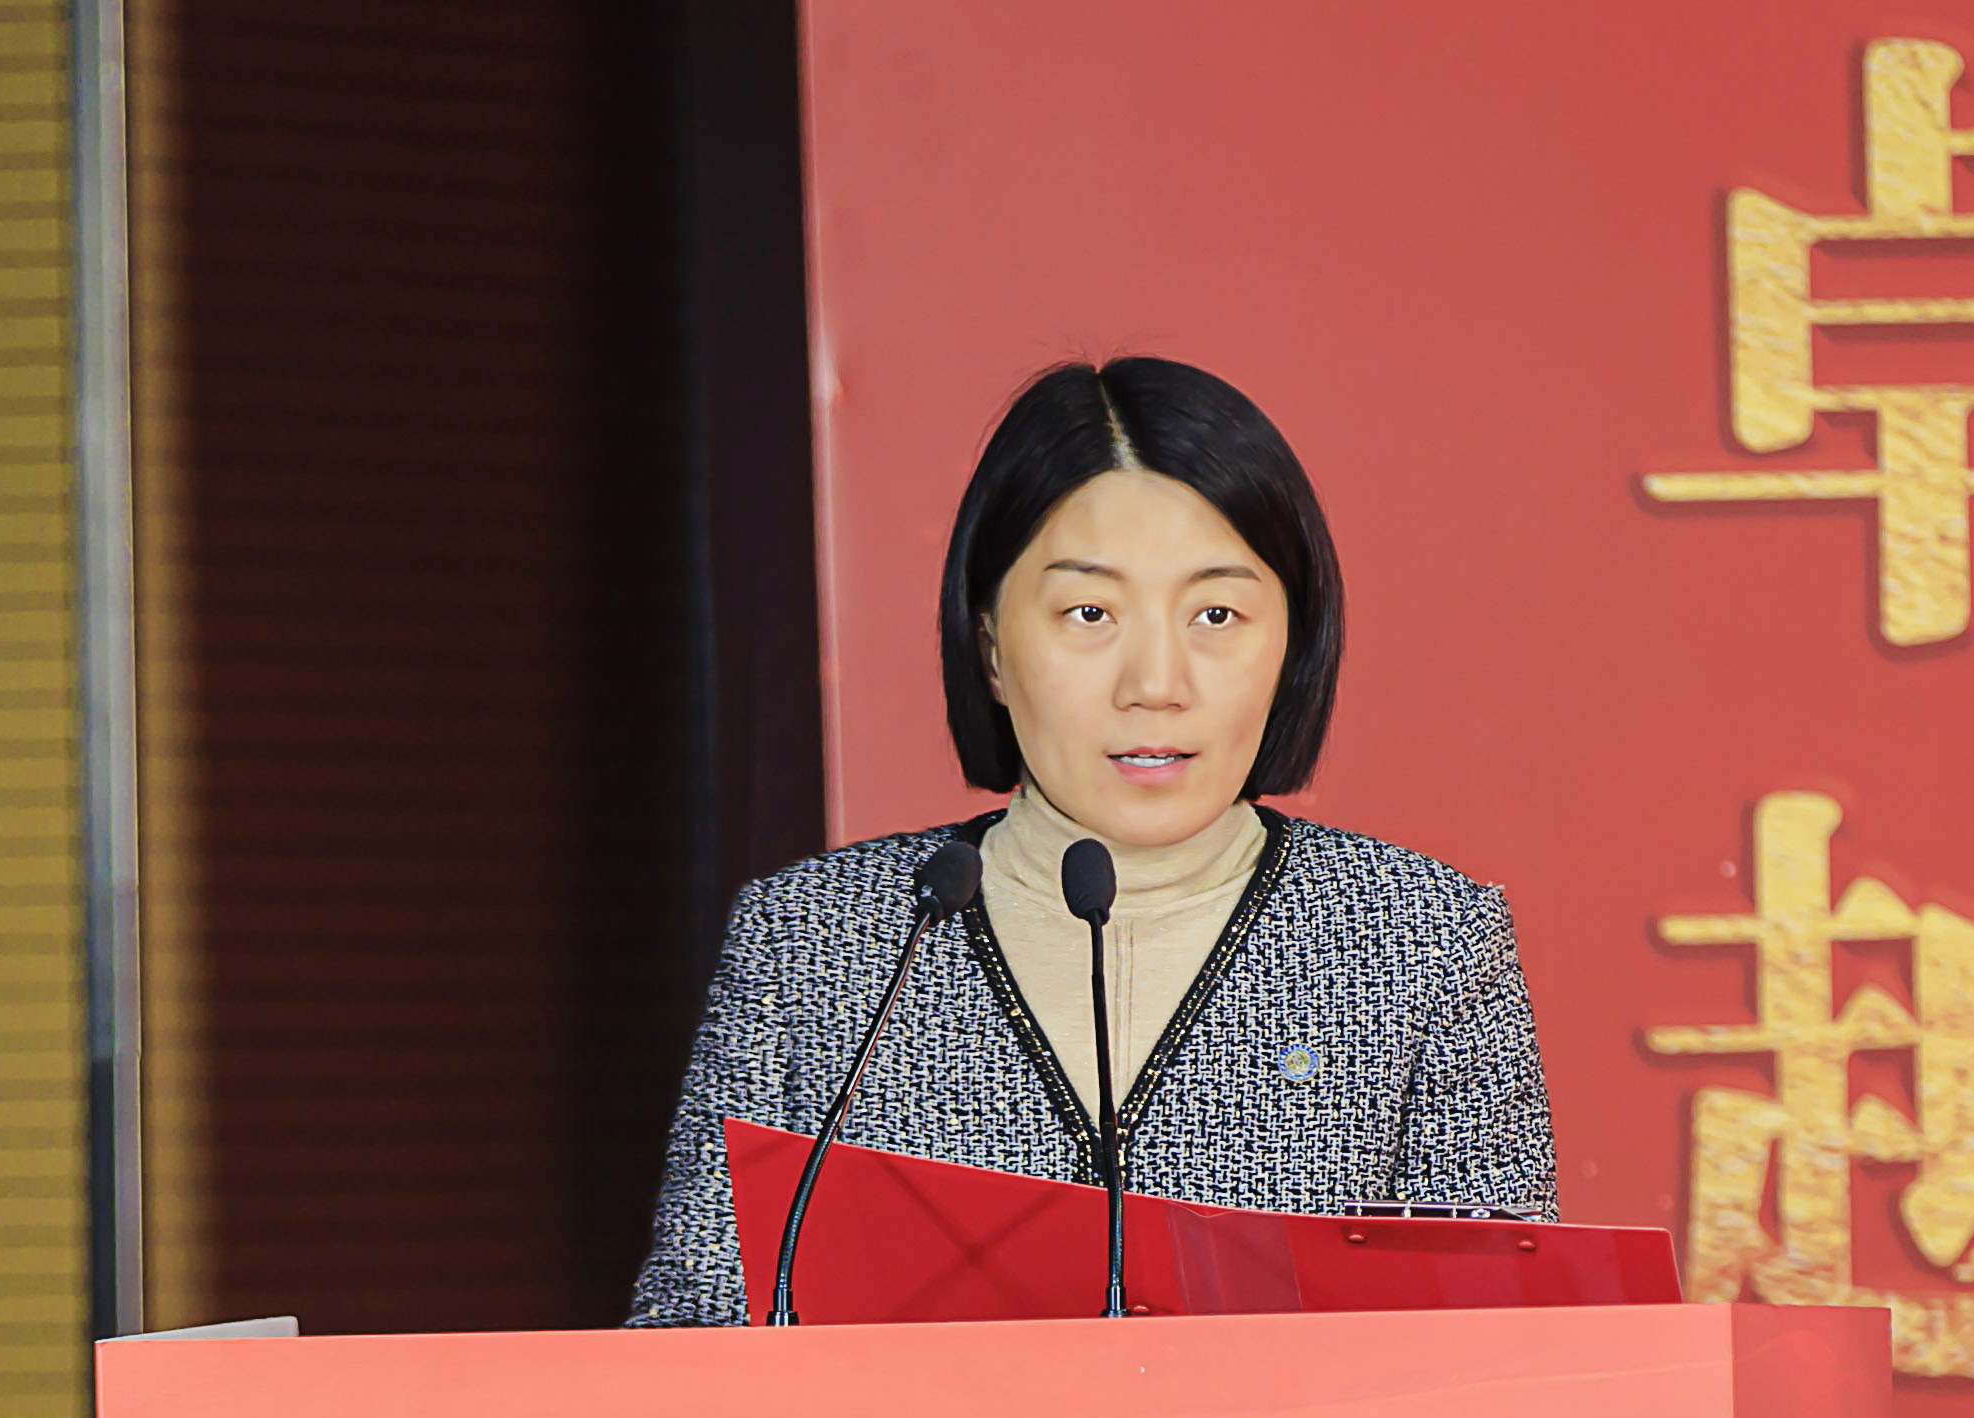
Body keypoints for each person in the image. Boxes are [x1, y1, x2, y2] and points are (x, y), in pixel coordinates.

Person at [627, 356, 1557, 1325]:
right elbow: (689, 1349)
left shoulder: (1424, 942)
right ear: (991, 646)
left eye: (1216, 615)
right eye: (1089, 613)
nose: (1155, 683)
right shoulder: (814, 942)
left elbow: (1503, 1364)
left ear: (1294, 643)